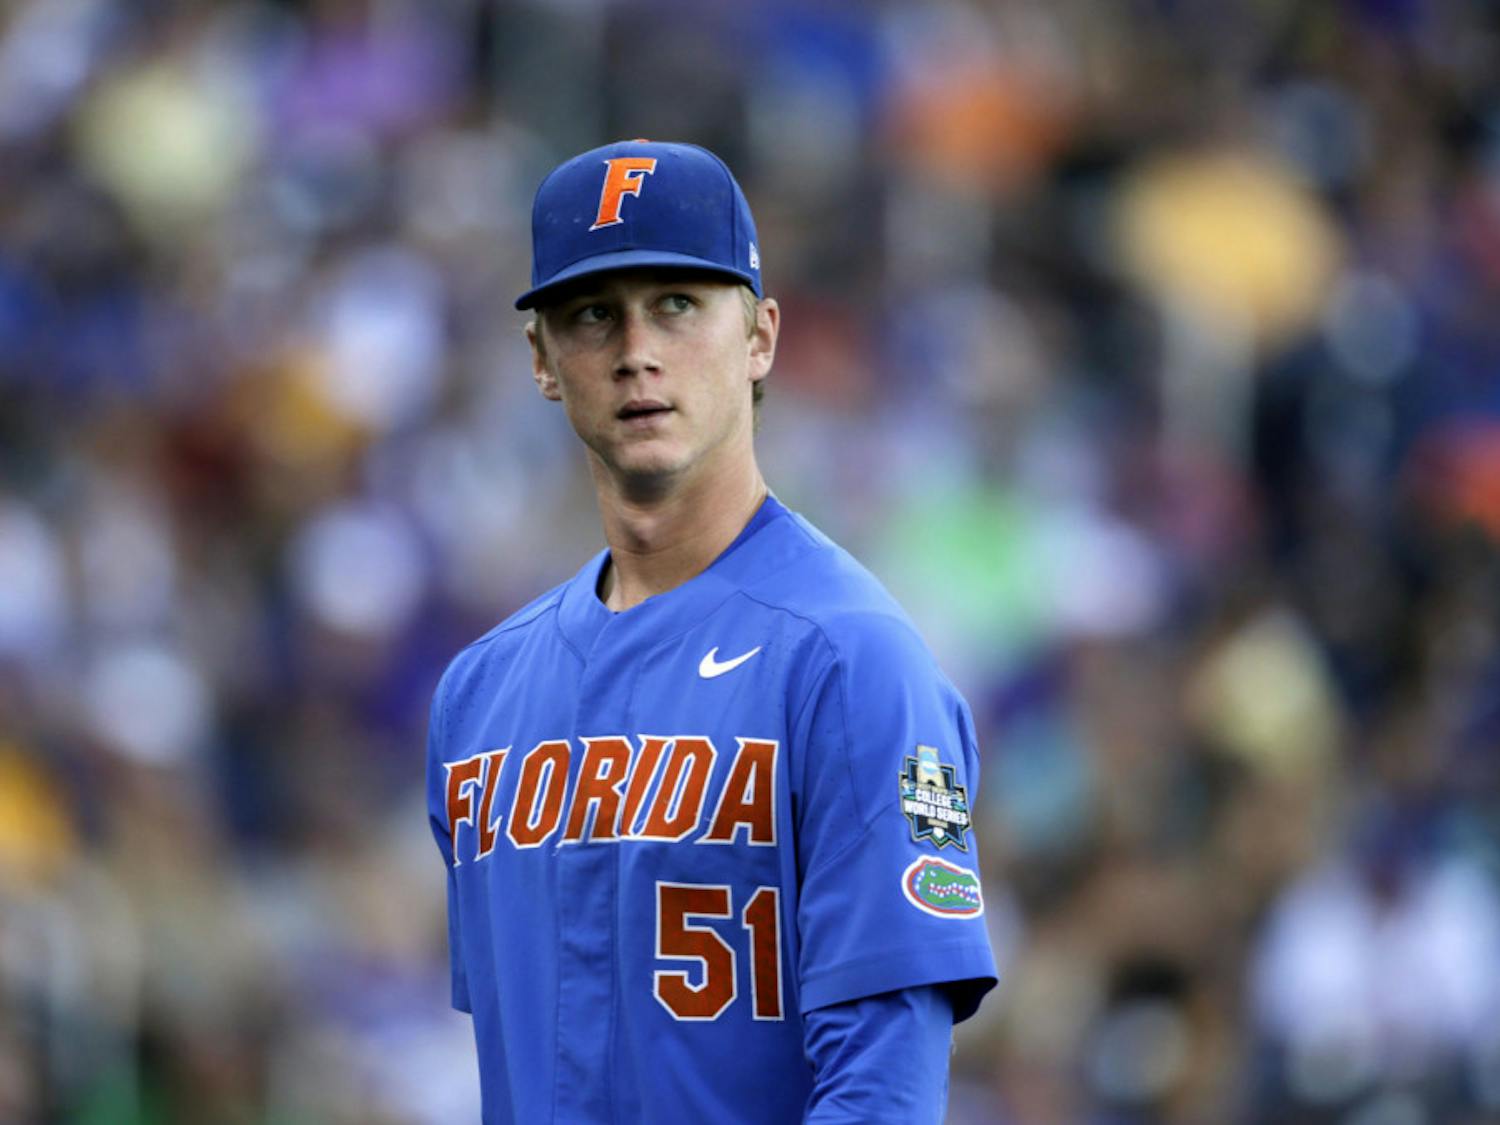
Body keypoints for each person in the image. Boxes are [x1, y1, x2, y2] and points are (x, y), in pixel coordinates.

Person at [426, 139, 997, 1124]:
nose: (636, 350)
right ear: (542, 359)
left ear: (761, 336)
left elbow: (884, 1083)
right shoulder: (479, 694)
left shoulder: (851, 661)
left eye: (678, 305)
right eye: (593, 314)